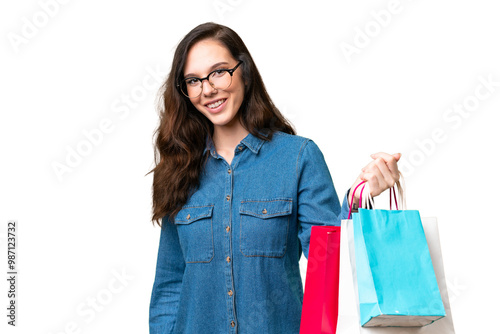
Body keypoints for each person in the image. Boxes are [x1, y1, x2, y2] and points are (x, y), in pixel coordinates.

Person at [148, 22, 401, 334]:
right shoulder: (178, 169)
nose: (208, 89)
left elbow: (327, 259)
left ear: (245, 71)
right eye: (193, 80)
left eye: (218, 72)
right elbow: (170, 285)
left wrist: (361, 197)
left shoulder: (297, 158)